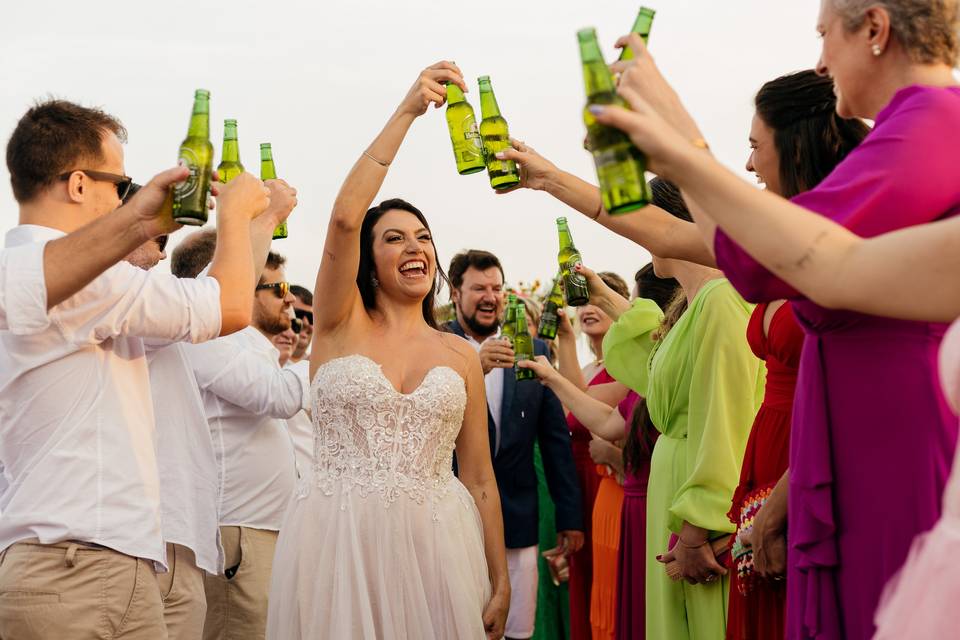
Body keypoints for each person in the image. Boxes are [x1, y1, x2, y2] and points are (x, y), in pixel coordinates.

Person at [589, 2, 960, 636]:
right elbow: (759, 251)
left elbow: (802, 259)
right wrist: (675, 136)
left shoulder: (931, 125)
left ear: (874, 28)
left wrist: (678, 147)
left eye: (824, 35)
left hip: (890, 449)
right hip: (853, 439)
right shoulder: (919, 127)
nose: (819, 62)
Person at [0, 99, 270, 640]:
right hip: (78, 568)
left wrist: (143, 218)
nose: (125, 197)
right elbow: (232, 306)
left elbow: (197, 308)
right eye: (118, 184)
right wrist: (238, 216)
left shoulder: (57, 277)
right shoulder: (65, 276)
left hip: (91, 564)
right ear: (79, 185)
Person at [266, 62, 510, 640]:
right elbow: (347, 215)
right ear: (367, 262)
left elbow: (478, 477)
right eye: (395, 238)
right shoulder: (336, 322)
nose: (414, 247)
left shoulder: (458, 355)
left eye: (423, 237)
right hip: (338, 543)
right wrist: (406, 111)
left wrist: (499, 579)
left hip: (438, 548)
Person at [128, 181, 295, 640]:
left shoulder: (190, 323)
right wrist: (335, 355)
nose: (162, 256)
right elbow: (276, 397)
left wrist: (264, 223)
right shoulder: (153, 311)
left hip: (192, 535)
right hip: (185, 534)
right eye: (155, 240)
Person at [445, 249, 584, 640]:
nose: (490, 296)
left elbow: (555, 439)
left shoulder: (535, 351)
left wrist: (569, 517)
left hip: (518, 519)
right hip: (455, 520)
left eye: (496, 287)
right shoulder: (438, 347)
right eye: (478, 288)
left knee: (518, 630)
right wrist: (478, 364)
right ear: (456, 293)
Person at [176, 248, 306, 640]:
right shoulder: (209, 340)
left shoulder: (246, 347)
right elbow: (280, 398)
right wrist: (339, 351)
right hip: (239, 533)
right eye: (277, 286)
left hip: (265, 530)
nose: (290, 298)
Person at [289, 284, 313, 362]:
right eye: (298, 314)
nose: (305, 323)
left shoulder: (320, 369)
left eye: (311, 317)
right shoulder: (261, 362)